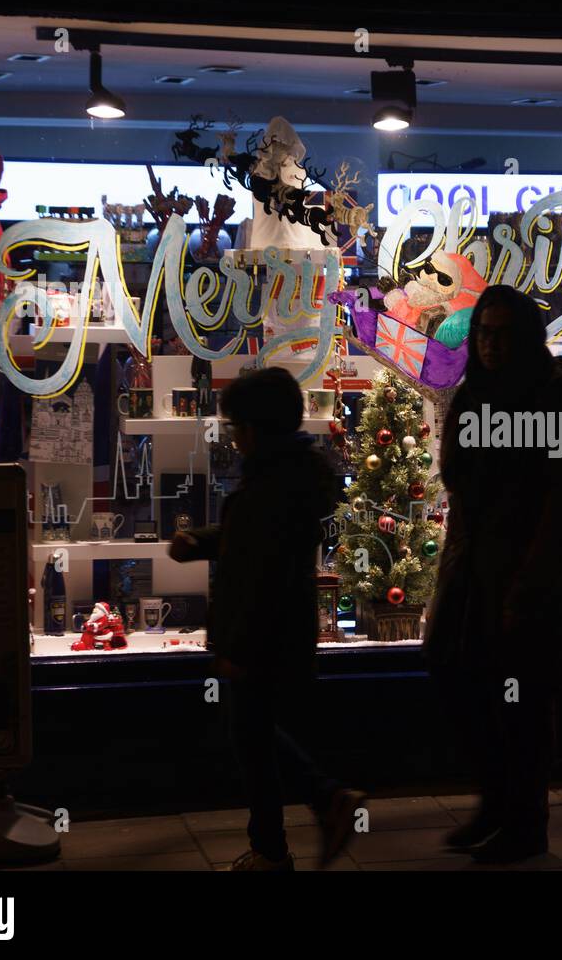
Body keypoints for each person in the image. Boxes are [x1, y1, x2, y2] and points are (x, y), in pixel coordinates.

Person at [425, 285, 562, 864]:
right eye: (484, 334)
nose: (491, 345)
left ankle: (527, 824)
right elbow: (455, 473)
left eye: (502, 334)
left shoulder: (559, 400)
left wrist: (530, 583)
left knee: (523, 702)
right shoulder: (475, 394)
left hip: (528, 573)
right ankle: (496, 803)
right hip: (472, 567)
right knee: (460, 682)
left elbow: (561, 503)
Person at [169, 366, 365, 870]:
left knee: (253, 740)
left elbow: (258, 572)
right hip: (282, 631)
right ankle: (281, 838)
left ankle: (306, 818)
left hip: (262, 637)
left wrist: (237, 648)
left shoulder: (269, 483)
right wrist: (203, 542)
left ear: (253, 429)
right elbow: (255, 546)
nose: (233, 439)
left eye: (236, 427)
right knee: (256, 736)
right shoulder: (291, 474)